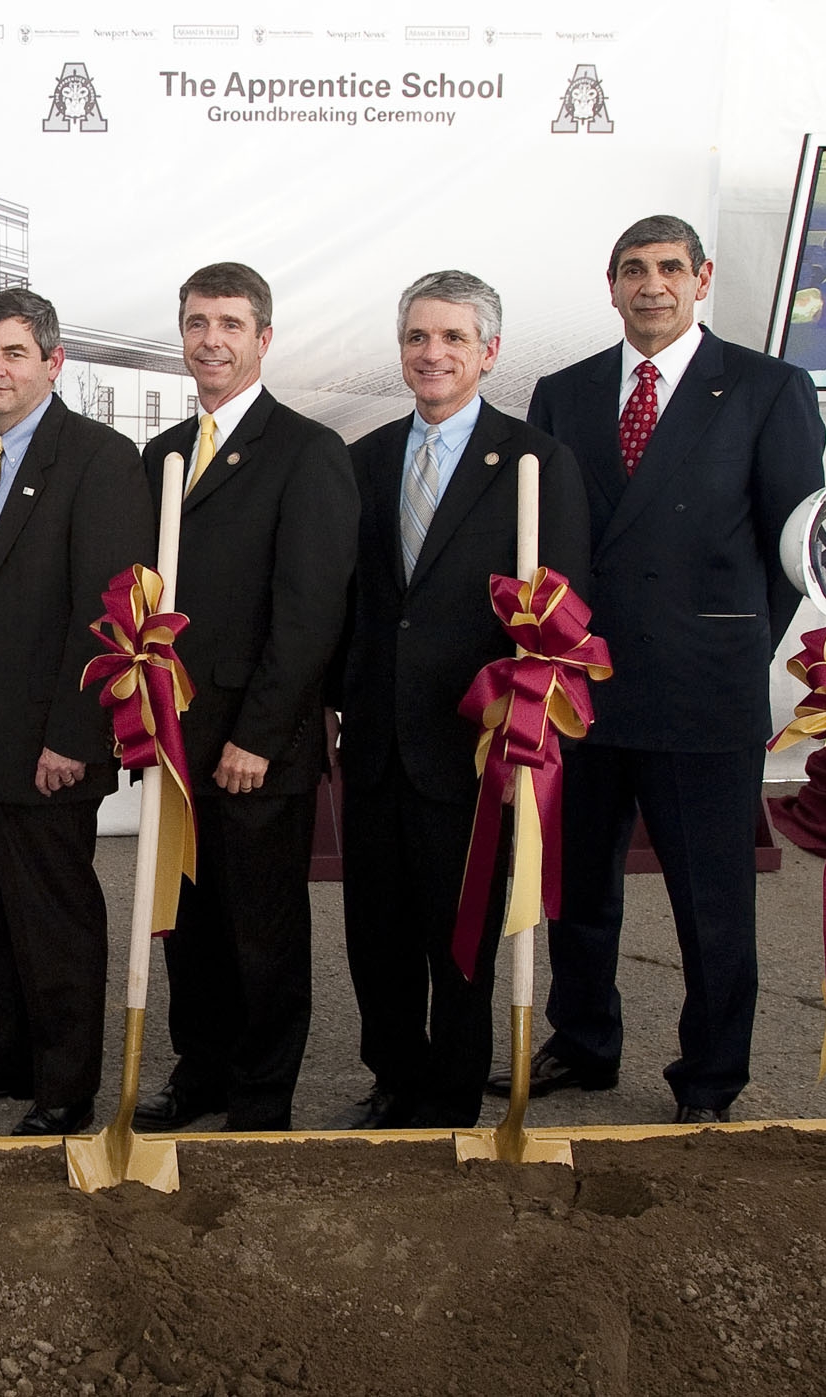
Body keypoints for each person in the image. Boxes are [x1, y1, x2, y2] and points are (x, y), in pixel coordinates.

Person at [519, 215, 824, 1123]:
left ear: (702, 278)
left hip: (703, 688)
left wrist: (732, 639)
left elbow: (795, 546)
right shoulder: (562, 394)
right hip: (581, 688)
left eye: (668, 268)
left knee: (712, 902)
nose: (651, 285)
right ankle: (584, 1041)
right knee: (575, 891)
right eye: (632, 270)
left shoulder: (768, 388)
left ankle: (711, 1076)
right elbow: (547, 542)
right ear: (609, 285)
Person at [336, 271, 589, 1129]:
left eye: (451, 338)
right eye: (417, 337)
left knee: (462, 933)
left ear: (489, 351)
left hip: (474, 744)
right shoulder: (363, 460)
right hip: (374, 738)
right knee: (378, 933)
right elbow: (351, 601)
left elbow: (565, 608)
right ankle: (394, 1073)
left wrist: (531, 724)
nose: (431, 353)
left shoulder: (533, 462)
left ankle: (449, 1093)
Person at [0, 288, 153, 1136]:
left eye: (13, 353)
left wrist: (74, 736)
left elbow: (104, 609)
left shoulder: (99, 458)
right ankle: (2, 1057)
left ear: (53, 362)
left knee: (54, 914)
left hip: (50, 735)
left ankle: (65, 1084)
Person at [132, 263, 358, 1133]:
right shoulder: (163, 457)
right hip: (179, 741)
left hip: (257, 744)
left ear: (264, 338)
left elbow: (311, 612)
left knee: (261, 931)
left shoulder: (308, 452)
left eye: (230, 323)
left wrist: (260, 735)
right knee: (188, 923)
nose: (211, 340)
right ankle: (202, 1076)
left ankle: (262, 1097)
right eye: (197, 323)